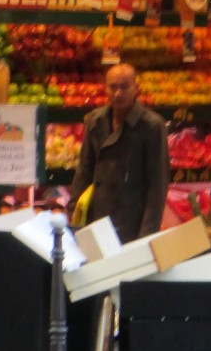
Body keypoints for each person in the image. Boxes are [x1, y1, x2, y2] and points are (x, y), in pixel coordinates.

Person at [70, 62, 171, 243]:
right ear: (105, 89)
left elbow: (158, 185)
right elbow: (84, 170)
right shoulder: (96, 120)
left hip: (131, 222)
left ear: (136, 89)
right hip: (96, 217)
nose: (118, 93)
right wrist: (73, 213)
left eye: (124, 87)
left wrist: (147, 236)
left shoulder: (152, 126)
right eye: (113, 87)